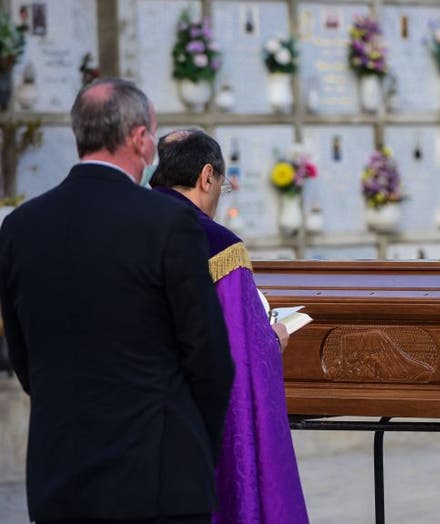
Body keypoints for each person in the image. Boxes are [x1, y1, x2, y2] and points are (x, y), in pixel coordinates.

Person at [0, 78, 234, 524]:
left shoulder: (20, 227)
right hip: (156, 479)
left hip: (60, 477)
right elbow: (209, 359)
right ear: (140, 139)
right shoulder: (169, 223)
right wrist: (192, 443)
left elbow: (24, 358)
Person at [149, 129, 309, 524]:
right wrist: (273, 340)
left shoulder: (125, 224)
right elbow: (239, 349)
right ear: (207, 177)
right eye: (223, 185)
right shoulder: (219, 246)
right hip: (193, 425)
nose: (220, 195)